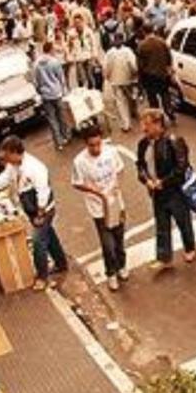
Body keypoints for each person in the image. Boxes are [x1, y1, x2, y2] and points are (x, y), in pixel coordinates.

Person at [0, 136, 68, 290]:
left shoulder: (34, 167)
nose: (4, 158)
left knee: (38, 241)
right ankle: (61, 263)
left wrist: (40, 214)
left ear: (15, 152)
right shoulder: (13, 166)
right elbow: (4, 179)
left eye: (7, 154)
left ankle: (42, 276)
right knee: (49, 235)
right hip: (31, 209)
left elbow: (43, 192)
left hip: (43, 210)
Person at [135, 108, 196, 272]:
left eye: (147, 124)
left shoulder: (173, 141)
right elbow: (140, 165)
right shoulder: (143, 144)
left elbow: (181, 167)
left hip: (175, 191)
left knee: (183, 221)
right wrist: (146, 180)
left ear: (158, 124)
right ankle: (164, 257)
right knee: (162, 224)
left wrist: (164, 182)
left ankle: (189, 247)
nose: (143, 128)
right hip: (156, 192)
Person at [71, 124, 128, 290]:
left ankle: (122, 265)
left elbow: (120, 170)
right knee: (107, 244)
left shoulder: (111, 152)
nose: (96, 148)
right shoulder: (80, 162)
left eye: (98, 144)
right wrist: (94, 191)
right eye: (91, 145)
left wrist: (116, 186)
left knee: (119, 239)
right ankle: (110, 272)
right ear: (86, 144)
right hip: (98, 208)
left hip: (116, 203)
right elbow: (77, 183)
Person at [33, 41, 69, 150]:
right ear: (50, 50)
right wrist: (64, 90)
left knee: (52, 119)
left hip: (45, 95)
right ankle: (65, 136)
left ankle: (58, 143)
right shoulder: (55, 62)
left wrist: (40, 91)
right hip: (57, 93)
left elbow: (36, 81)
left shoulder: (37, 64)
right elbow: (61, 78)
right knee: (61, 116)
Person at [102, 33, 139, 133]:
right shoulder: (128, 51)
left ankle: (126, 123)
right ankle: (131, 117)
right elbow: (133, 65)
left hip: (116, 81)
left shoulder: (110, 53)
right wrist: (134, 75)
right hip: (128, 80)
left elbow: (106, 67)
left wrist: (107, 76)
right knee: (129, 98)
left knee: (121, 102)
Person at [135, 26, 174, 119]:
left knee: (152, 97)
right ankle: (168, 110)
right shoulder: (162, 42)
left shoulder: (142, 45)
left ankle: (157, 115)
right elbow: (169, 58)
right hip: (163, 74)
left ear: (144, 32)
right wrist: (168, 69)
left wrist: (140, 78)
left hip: (149, 75)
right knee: (165, 93)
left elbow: (140, 64)